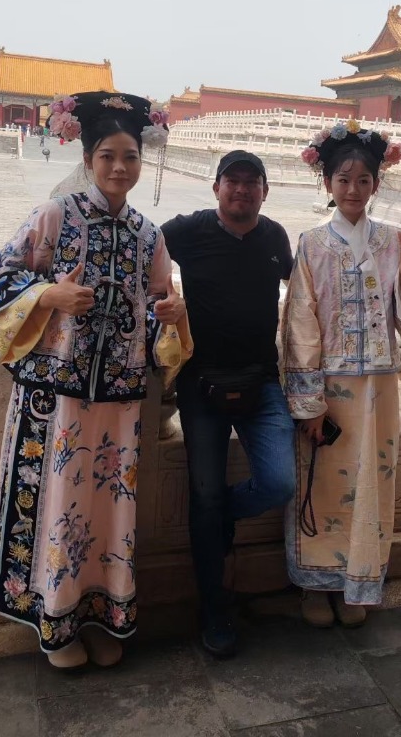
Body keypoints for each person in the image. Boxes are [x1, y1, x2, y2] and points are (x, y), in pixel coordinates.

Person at [0, 91, 184, 670]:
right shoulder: (54, 216)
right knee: (58, 509)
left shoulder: (150, 236)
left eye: (130, 156)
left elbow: (156, 312)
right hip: (55, 399)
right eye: (107, 156)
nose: (120, 167)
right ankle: (55, 624)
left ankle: (100, 615)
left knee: (106, 515)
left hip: (118, 402)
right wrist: (50, 293)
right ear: (89, 157)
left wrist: (171, 315)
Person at [281, 121, 401, 629]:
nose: (353, 189)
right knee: (320, 483)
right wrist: (307, 403)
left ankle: (358, 581)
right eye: (343, 179)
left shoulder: (394, 244)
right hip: (329, 391)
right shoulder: (311, 245)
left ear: (376, 185)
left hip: (381, 391)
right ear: (327, 183)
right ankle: (313, 584)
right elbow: (300, 325)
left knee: (371, 484)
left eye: (363, 181)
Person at [161, 150, 295, 658]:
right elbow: (142, 254)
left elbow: (303, 295)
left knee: (279, 482)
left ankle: (221, 521)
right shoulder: (188, 231)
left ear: (265, 190)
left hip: (262, 382)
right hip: (201, 385)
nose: (241, 191)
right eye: (232, 182)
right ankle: (214, 609)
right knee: (206, 495)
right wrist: (164, 298)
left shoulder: (275, 237)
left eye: (251, 183)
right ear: (215, 187)